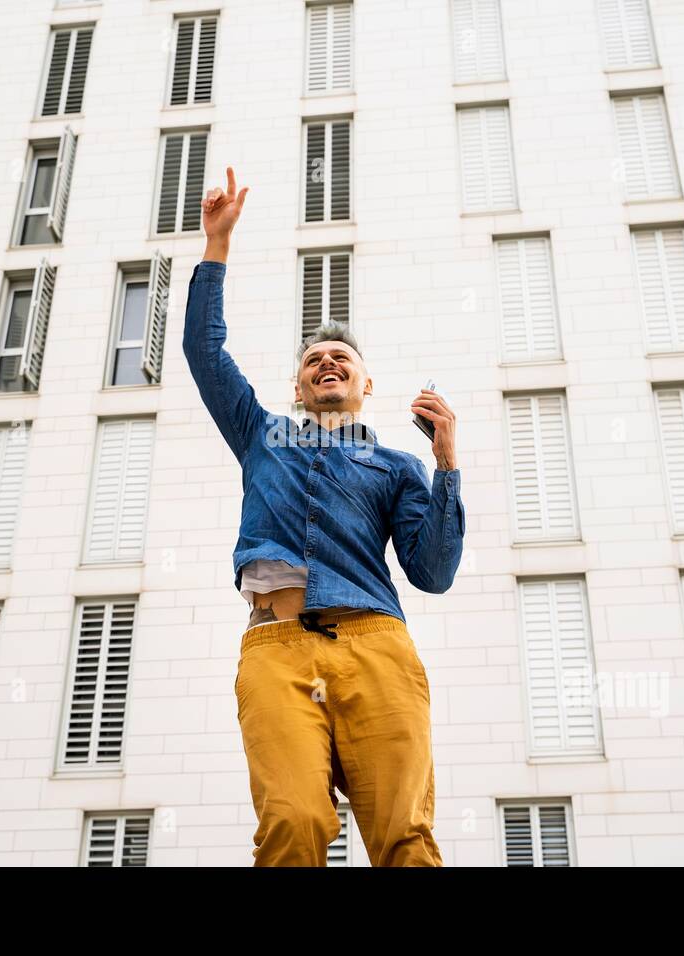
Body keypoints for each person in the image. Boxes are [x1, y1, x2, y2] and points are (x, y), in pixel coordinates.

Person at [183, 166, 466, 866]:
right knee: (294, 823)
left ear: (366, 383)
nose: (327, 363)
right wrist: (216, 247)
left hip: (375, 645)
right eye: (314, 359)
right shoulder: (260, 433)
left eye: (341, 357)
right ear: (299, 384)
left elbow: (431, 573)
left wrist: (447, 465)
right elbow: (203, 352)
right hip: (277, 649)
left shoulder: (397, 466)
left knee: (404, 835)